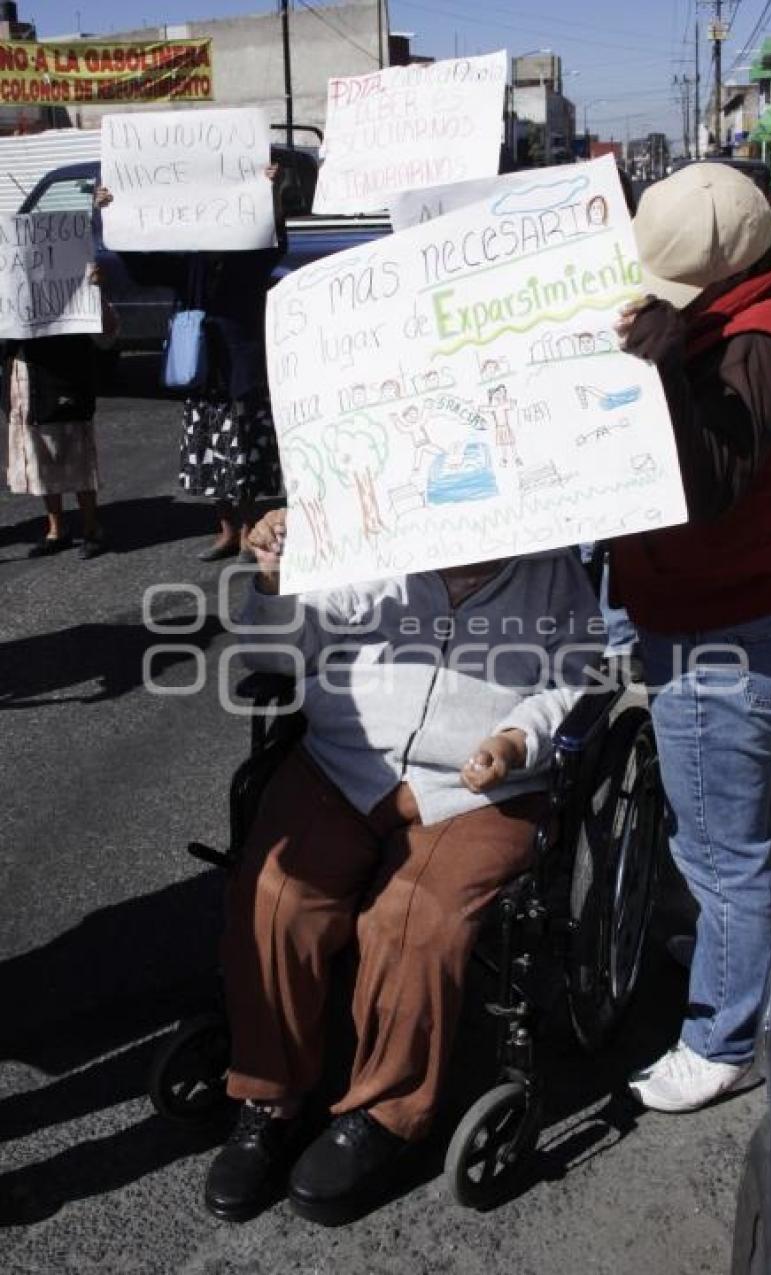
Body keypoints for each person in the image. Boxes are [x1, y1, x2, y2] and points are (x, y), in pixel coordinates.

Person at [203, 514, 600, 1223]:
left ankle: (384, 1115)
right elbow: (275, 654)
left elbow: (574, 675)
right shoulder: (372, 540)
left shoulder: (553, 571)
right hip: (344, 760)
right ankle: (270, 1094)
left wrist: (516, 740)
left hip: (479, 790)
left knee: (414, 917)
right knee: (279, 894)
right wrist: (272, 579)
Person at [611, 164, 771, 1113]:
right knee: (751, 819)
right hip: (746, 613)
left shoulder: (763, 338)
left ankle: (724, 1036)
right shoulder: (766, 311)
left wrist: (662, 366)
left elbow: (708, 485)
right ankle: (759, 960)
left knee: (718, 851)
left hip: (718, 635)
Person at [96, 169, 282, 561]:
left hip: (239, 368)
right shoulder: (189, 259)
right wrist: (113, 213)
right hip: (200, 368)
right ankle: (227, 531)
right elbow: (143, 267)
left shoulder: (249, 253)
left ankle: (251, 530)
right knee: (210, 454)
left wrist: (270, 195)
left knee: (243, 453)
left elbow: (275, 243)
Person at [4, 267, 115, 560]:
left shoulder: (75, 280)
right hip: (28, 379)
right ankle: (56, 529)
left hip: (68, 374)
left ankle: (92, 528)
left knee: (76, 454)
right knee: (41, 456)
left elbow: (107, 335)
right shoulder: (11, 283)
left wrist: (96, 291)